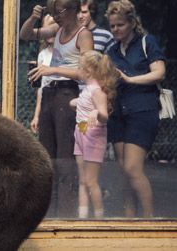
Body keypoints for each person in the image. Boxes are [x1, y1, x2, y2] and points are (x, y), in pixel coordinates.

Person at [20, 0, 94, 218]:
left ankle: (67, 214)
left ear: (72, 10)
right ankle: (48, 212)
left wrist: (52, 69)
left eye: (59, 12)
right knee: (47, 155)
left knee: (65, 157)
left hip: (68, 94)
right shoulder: (57, 29)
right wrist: (33, 17)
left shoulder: (83, 35)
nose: (56, 16)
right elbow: (25, 35)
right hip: (50, 94)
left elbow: (87, 72)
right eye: (53, 12)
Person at [105, 0, 166, 218]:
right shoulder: (111, 49)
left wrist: (130, 80)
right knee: (124, 172)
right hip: (118, 114)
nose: (115, 30)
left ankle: (149, 221)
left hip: (142, 111)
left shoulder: (146, 42)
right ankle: (129, 218)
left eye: (120, 25)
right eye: (112, 26)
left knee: (133, 168)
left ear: (131, 22)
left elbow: (159, 73)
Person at [69, 50, 119, 218]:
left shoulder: (97, 91)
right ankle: (82, 216)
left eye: (79, 67)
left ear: (88, 71)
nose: (78, 70)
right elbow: (84, 104)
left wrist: (96, 113)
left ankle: (99, 217)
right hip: (81, 132)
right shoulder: (87, 90)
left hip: (93, 135)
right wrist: (76, 102)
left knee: (91, 181)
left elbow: (104, 115)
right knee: (83, 180)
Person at [30, 14, 55, 133]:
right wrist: (36, 116)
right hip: (46, 103)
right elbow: (40, 89)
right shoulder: (42, 55)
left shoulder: (67, 52)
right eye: (46, 29)